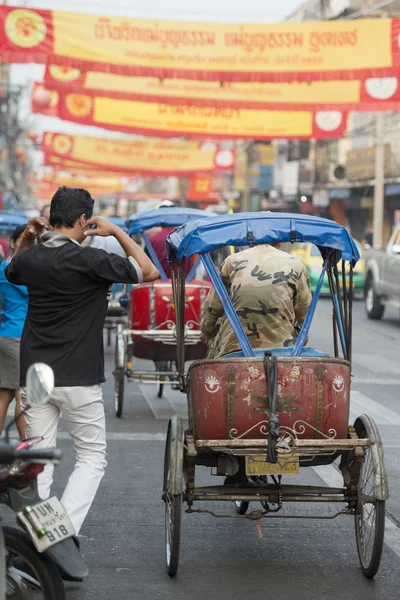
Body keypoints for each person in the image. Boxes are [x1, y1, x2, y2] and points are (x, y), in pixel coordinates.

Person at [5, 187, 159, 535]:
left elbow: (14, 269)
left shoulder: (32, 258)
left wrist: (30, 236)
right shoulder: (91, 260)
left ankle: (36, 535)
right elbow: (147, 271)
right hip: (78, 374)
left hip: (35, 374)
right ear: (82, 220)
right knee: (91, 457)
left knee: (37, 458)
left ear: (51, 217)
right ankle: (57, 532)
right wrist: (117, 232)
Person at [200, 243, 312, 358]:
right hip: (282, 351)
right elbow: (305, 316)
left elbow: (212, 310)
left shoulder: (232, 261)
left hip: (233, 350)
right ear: (280, 242)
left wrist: (207, 334)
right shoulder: (296, 265)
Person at [0, 225, 28, 440]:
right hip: (19, 337)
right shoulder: (13, 270)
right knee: (22, 395)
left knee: (6, 395)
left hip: (8, 334)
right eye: (25, 239)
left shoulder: (3, 268)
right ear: (12, 242)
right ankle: (25, 448)